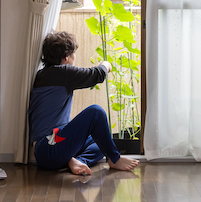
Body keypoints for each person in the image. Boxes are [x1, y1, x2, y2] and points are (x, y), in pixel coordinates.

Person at [28, 31, 140, 175]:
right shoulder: (62, 73)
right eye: (73, 54)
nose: (75, 57)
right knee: (96, 112)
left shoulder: (44, 74)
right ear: (66, 58)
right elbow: (97, 75)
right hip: (49, 147)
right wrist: (107, 64)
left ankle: (77, 161)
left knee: (102, 141)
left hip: (51, 146)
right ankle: (114, 159)